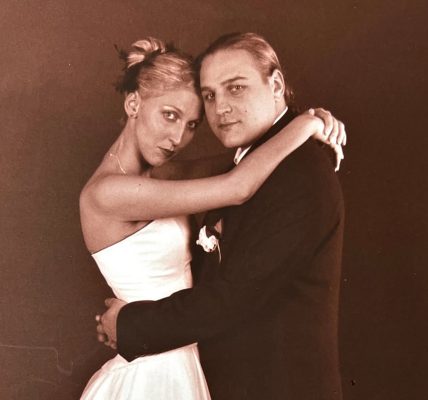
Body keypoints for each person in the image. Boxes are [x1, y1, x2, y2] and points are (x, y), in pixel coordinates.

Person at [86, 34, 345, 399]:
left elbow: (241, 170)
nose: (178, 137)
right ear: (133, 104)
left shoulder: (170, 174)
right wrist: (306, 125)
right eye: (170, 115)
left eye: (192, 124)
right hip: (161, 363)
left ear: (276, 85)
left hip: (203, 361)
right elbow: (237, 184)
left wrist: (306, 124)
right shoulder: (110, 191)